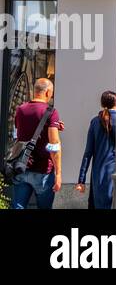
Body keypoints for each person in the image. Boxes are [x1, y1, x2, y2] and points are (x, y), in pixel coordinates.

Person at [76, 90, 116, 209]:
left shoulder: (95, 122)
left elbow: (88, 153)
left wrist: (81, 179)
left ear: (102, 104)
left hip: (99, 174)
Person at [10, 77, 63, 209]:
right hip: (43, 171)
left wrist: (53, 126)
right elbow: (54, 144)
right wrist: (58, 173)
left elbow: (20, 134)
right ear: (47, 92)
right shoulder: (51, 112)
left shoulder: (20, 109)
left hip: (22, 167)